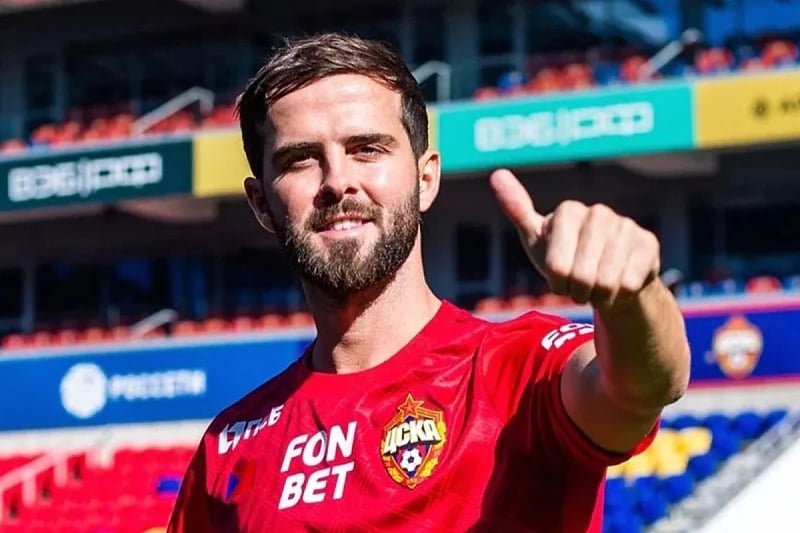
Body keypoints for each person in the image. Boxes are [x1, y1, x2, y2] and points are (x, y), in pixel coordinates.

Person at [167, 33, 690, 533]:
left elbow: (643, 387)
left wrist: (634, 297)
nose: (338, 181)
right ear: (262, 204)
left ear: (426, 179)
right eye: (300, 159)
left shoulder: (517, 370)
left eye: (367, 149)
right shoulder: (227, 447)